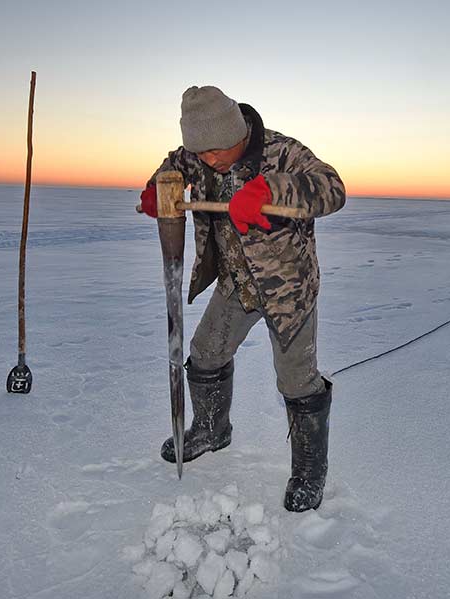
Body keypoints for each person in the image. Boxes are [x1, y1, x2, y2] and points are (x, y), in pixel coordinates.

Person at [139, 86, 345, 512]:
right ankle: (212, 429)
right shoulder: (197, 153)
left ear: (236, 132)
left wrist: (272, 192)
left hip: (288, 286)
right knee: (204, 353)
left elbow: (332, 188)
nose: (209, 160)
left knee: (296, 379)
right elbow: (172, 166)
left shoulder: (281, 152)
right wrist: (158, 189)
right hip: (237, 282)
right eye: (202, 152)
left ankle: (310, 469)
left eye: (217, 150)